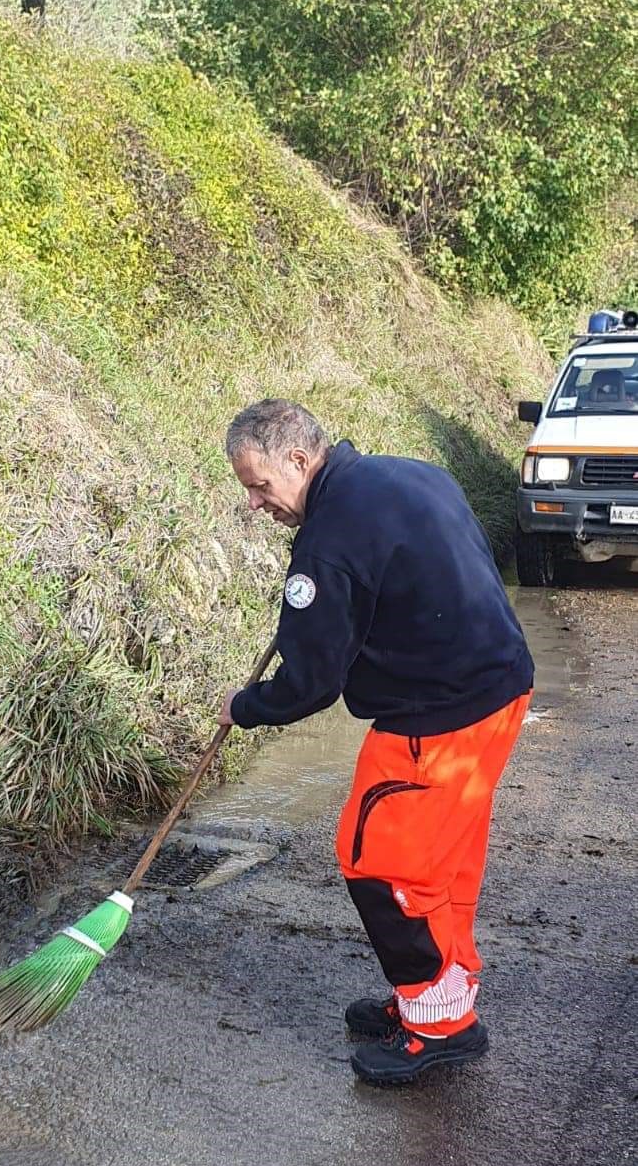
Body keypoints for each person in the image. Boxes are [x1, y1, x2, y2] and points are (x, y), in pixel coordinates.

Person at [219, 399, 534, 1085]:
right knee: (442, 865)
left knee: (380, 867)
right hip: (500, 688)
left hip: (435, 718)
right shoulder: (409, 475)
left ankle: (438, 1027)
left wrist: (242, 707)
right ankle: (440, 1000)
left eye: (259, 485)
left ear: (298, 461)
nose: (254, 503)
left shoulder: (327, 544)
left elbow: (309, 683)